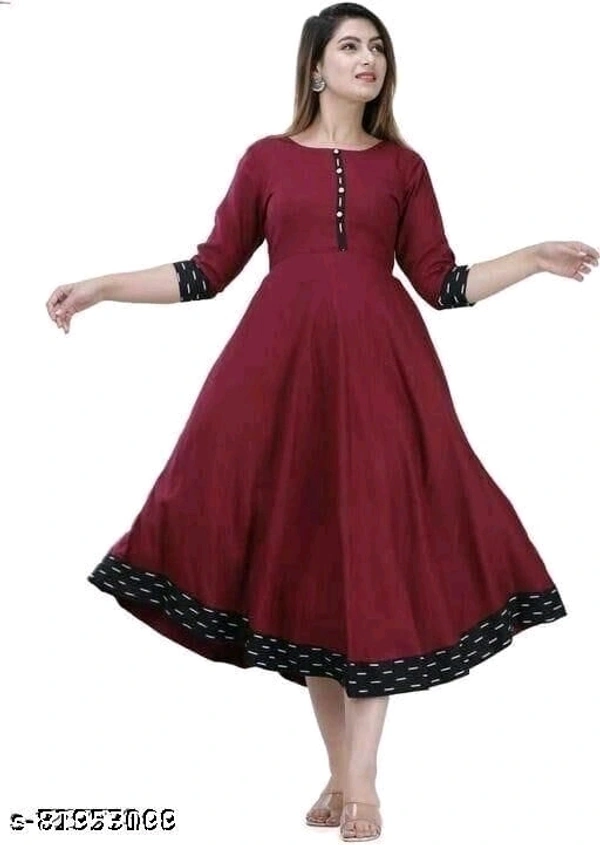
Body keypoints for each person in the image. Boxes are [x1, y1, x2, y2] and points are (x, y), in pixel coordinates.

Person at [45, 3, 597, 841]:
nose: (368, 58)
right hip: (279, 379)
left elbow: (443, 284)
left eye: (377, 47)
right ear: (315, 66)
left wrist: (531, 259)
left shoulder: (404, 167)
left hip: (384, 379)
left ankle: (362, 783)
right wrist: (100, 287)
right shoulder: (265, 159)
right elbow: (207, 271)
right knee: (312, 567)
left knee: (372, 556)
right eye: (350, 46)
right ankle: (342, 773)